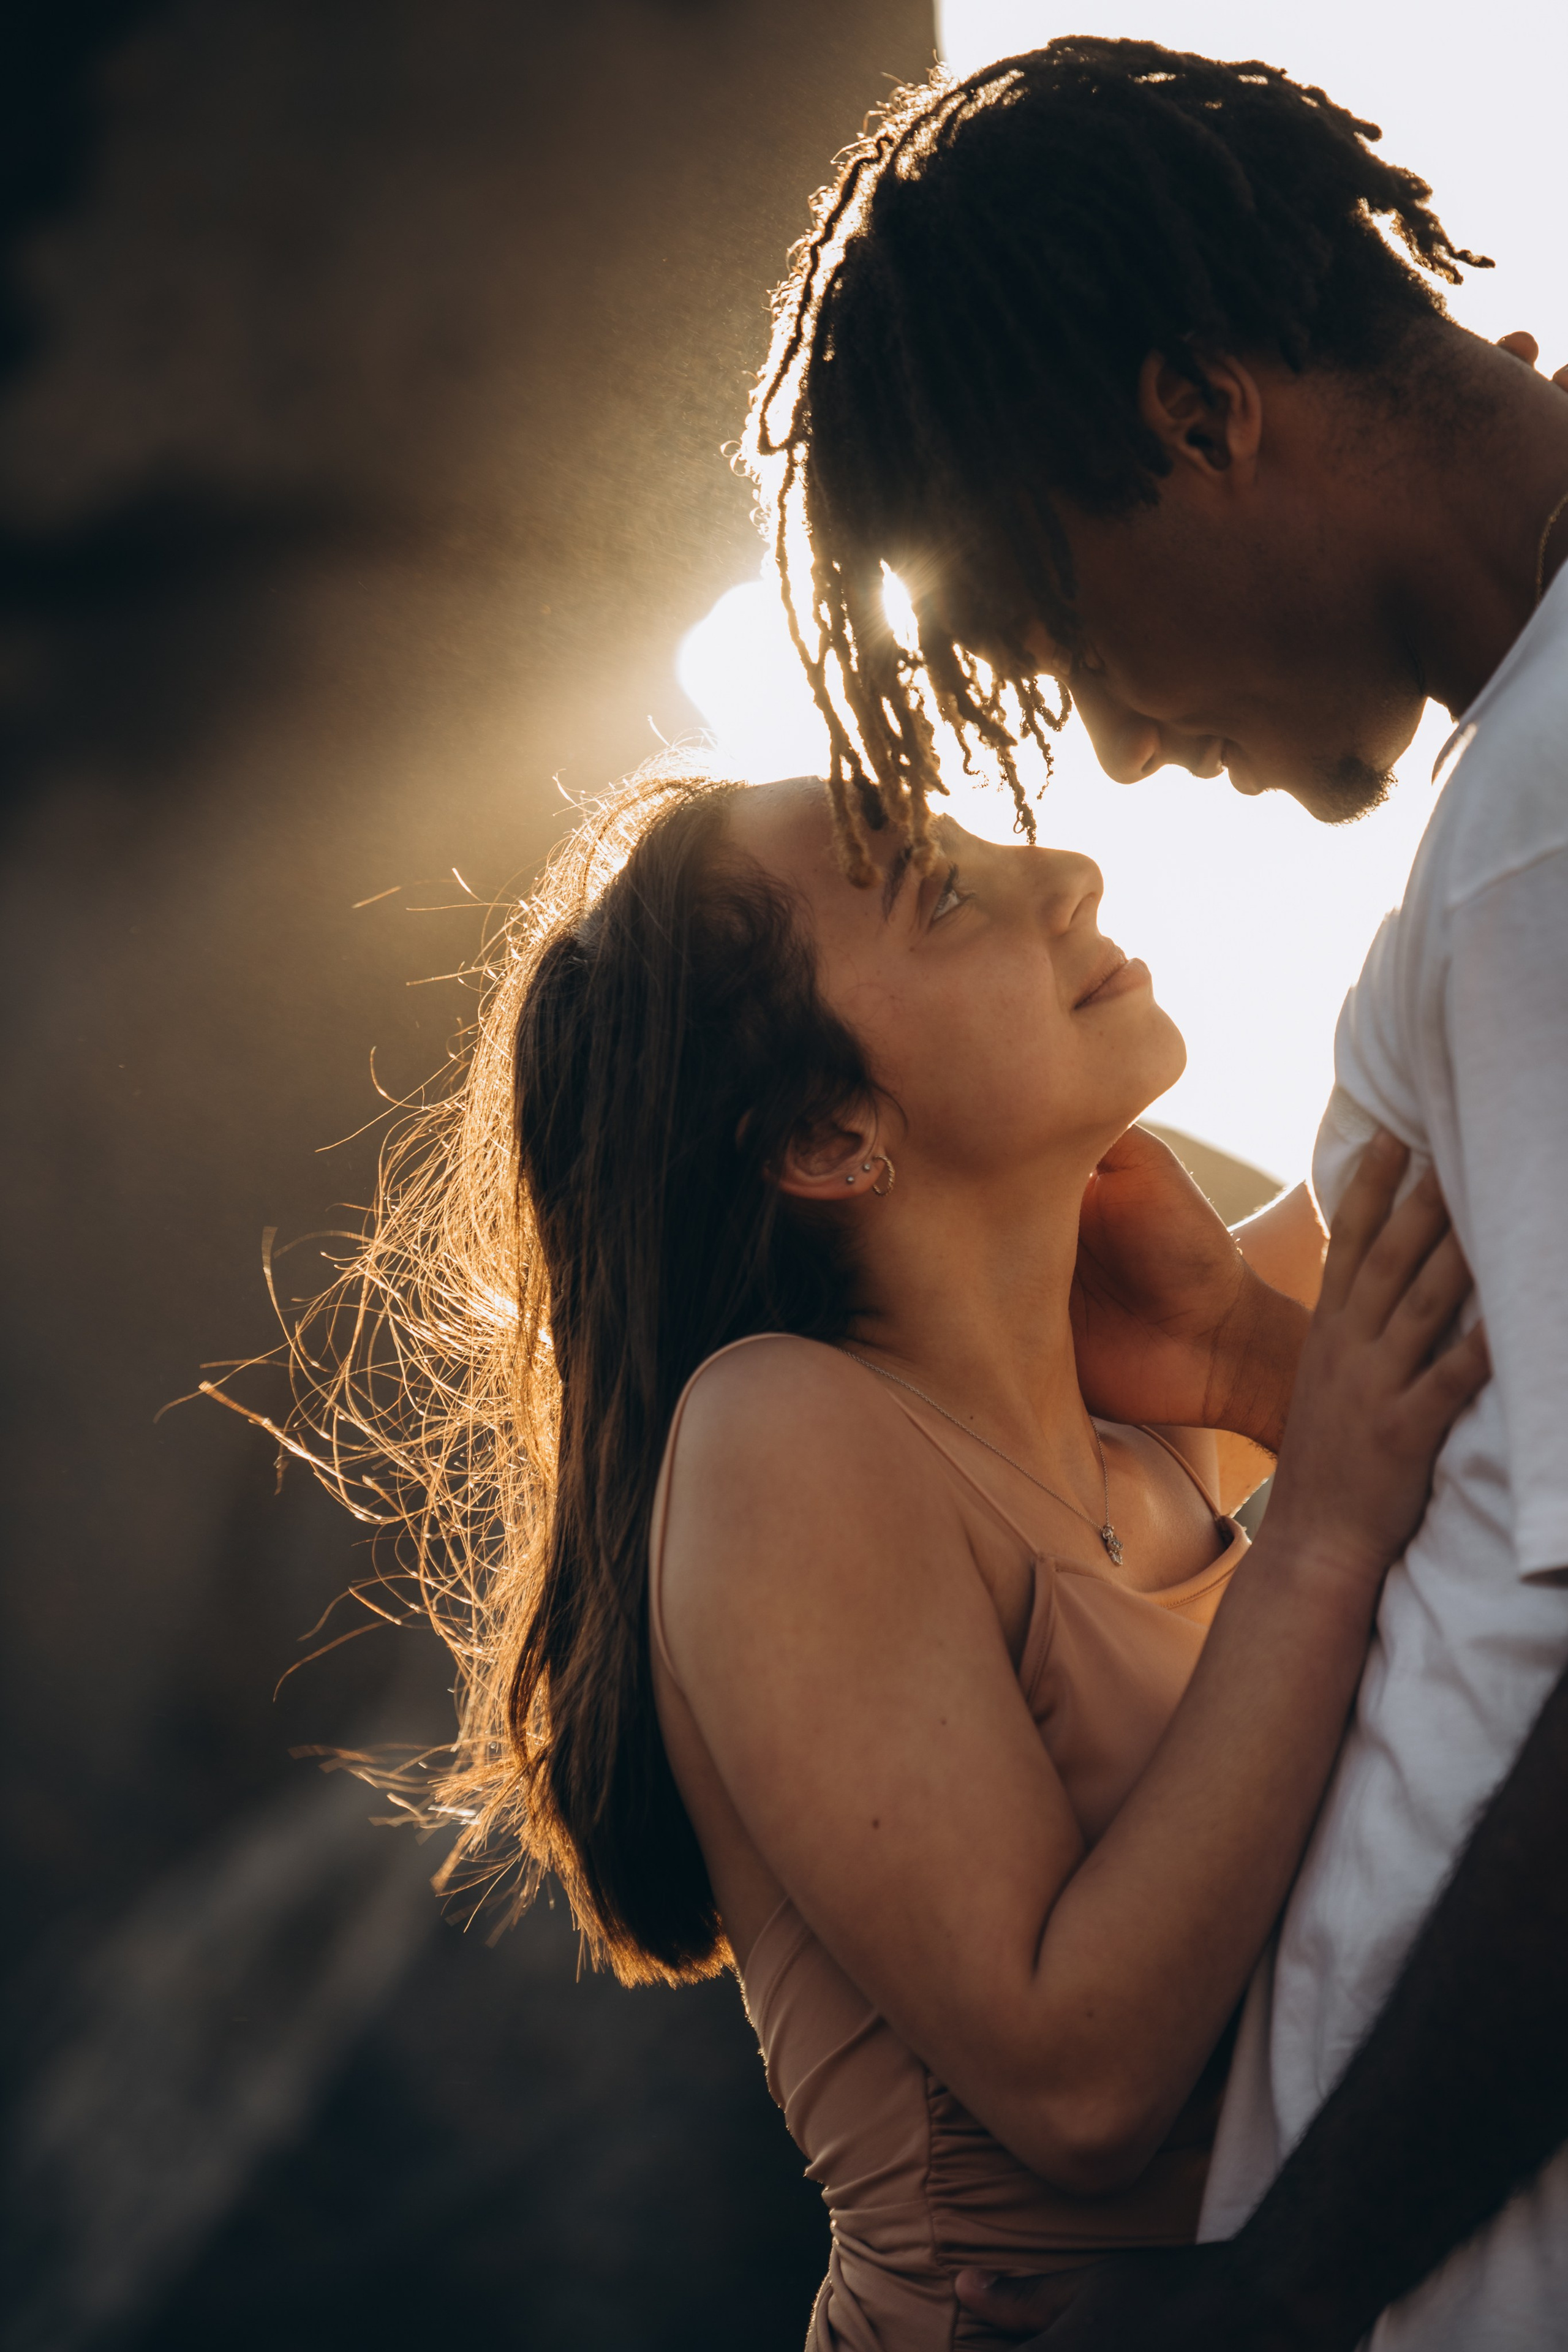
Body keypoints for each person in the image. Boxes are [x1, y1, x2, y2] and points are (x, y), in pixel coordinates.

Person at [744, 36, 1568, 2348]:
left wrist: (1288, 2284)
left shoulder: (1541, 840)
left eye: (1060, 636)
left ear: (1202, 414)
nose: (1106, 754)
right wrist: (1245, 1361)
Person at [282, 758, 1477, 2348]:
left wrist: (1250, 1362)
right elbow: (1081, 2079)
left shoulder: (1158, 1423)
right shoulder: (781, 1436)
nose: (1066, 874)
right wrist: (1320, 1520)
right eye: (946, 892)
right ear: (829, 1133)